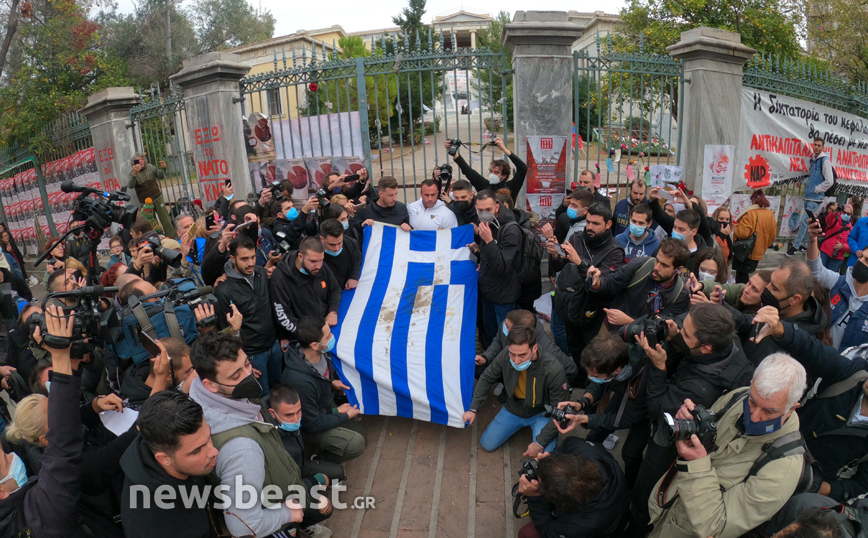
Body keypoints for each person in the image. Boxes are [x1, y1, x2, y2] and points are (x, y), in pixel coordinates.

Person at [626, 303, 755, 537]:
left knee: (646, 498)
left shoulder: (702, 389)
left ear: (705, 347)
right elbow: (691, 350)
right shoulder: (728, 343)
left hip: (670, 449)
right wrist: (676, 337)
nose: (678, 332)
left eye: (685, 333)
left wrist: (658, 366)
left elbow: (659, 411)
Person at [188, 332, 332, 538]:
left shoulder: (215, 393)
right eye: (235, 376)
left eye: (247, 364)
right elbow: (245, 525)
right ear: (210, 384)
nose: (248, 375)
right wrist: (286, 514)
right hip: (277, 508)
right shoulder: (241, 450)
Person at [647, 354, 807, 538]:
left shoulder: (783, 468)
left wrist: (696, 465)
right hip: (664, 509)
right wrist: (692, 428)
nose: (754, 416)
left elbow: (717, 528)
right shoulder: (738, 396)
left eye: (769, 411)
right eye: (753, 401)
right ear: (752, 383)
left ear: (792, 408)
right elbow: (707, 440)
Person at [753, 306, 868, 503]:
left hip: (801, 487)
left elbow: (861, 485)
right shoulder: (853, 374)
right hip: (768, 445)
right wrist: (781, 329)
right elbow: (813, 350)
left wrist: (823, 489)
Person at [120, 391, 219, 538]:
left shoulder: (160, 438)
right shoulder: (153, 526)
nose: (214, 451)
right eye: (197, 450)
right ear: (164, 458)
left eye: (208, 437)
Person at [548, 202, 626, 379]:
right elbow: (562, 264)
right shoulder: (576, 238)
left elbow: (603, 283)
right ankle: (578, 381)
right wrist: (554, 255)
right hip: (570, 307)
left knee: (592, 355)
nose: (590, 227)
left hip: (593, 314)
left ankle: (591, 387)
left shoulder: (614, 251)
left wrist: (579, 261)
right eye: (589, 222)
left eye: (596, 223)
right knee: (574, 349)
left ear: (608, 224)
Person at [463, 327, 569, 453]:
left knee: (543, 454)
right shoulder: (505, 355)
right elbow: (487, 377)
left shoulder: (554, 370)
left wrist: (540, 442)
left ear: (534, 348)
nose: (516, 361)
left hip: (542, 413)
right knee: (487, 444)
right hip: (514, 408)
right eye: (512, 354)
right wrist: (473, 408)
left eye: (522, 355)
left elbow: (559, 410)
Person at [280, 316, 366, 464]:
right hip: (310, 426)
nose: (332, 337)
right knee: (356, 443)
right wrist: (344, 417)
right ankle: (320, 461)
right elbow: (312, 424)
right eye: (328, 336)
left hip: (323, 409)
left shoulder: (320, 353)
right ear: (315, 345)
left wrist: (332, 383)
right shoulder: (299, 381)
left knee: (361, 433)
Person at [517, 437, 628, 538]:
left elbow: (547, 530)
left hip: (603, 529)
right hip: (616, 498)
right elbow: (562, 451)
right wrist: (550, 459)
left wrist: (535, 497)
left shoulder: (580, 526)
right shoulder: (582, 449)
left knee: (527, 533)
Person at [214, 235, 281, 393]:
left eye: (253, 257)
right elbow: (227, 331)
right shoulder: (224, 290)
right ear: (233, 258)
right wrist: (242, 361)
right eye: (244, 259)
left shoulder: (260, 273)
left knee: (278, 387)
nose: (251, 263)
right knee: (262, 394)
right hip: (253, 354)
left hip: (274, 345)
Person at [728, 258, 826, 366]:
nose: (767, 289)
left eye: (774, 288)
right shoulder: (778, 310)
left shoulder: (799, 344)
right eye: (770, 282)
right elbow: (747, 321)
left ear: (794, 299)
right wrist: (719, 305)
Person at [587, 238, 690, 333]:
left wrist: (629, 321)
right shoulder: (641, 265)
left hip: (642, 344)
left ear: (679, 269)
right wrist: (597, 283)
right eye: (657, 260)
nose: (657, 267)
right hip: (612, 328)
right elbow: (611, 283)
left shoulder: (679, 294)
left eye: (664, 265)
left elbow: (662, 329)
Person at [806, 219, 868, 352]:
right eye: (862, 257)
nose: (860, 261)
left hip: (846, 370)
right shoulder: (840, 282)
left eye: (866, 260)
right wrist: (812, 241)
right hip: (818, 355)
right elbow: (816, 271)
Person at [265, 384, 345, 485]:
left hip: (300, 465)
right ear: (272, 413)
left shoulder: (287, 420)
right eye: (289, 415)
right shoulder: (268, 439)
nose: (296, 419)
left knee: (339, 473)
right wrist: (313, 481)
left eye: (298, 411)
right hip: (287, 482)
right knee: (323, 500)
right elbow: (284, 485)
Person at [474, 189, 524, 347]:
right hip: (488, 291)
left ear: (497, 206)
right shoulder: (486, 224)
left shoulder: (510, 229)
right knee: (490, 334)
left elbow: (501, 266)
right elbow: (490, 255)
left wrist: (488, 241)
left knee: (505, 338)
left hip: (504, 295)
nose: (484, 213)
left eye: (488, 210)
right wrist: (479, 251)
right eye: (480, 210)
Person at [475, 309, 577, 382]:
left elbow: (571, 370)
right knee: (479, 370)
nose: (504, 327)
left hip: (531, 378)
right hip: (508, 367)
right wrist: (485, 357)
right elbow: (497, 342)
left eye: (508, 327)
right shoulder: (506, 324)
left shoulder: (548, 349)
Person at [270, 236, 341, 340]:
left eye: (321, 260)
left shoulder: (320, 267)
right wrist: (310, 334)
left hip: (325, 329)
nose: (318, 266)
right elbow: (284, 318)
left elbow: (335, 289)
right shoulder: (280, 279)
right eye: (313, 261)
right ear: (300, 257)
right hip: (301, 338)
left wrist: (333, 311)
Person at [445, 137, 527, 203]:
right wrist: (454, 152)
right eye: (492, 171)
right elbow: (468, 171)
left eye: (496, 172)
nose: (492, 174)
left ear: (504, 176)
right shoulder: (484, 185)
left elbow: (523, 168)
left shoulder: (511, 187)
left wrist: (505, 149)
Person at [789, 137, 834, 256]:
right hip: (808, 196)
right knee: (807, 222)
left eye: (819, 145)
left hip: (815, 198)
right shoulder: (813, 160)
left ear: (823, 147)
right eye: (815, 145)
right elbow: (813, 177)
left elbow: (829, 181)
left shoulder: (824, 160)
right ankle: (804, 245)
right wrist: (803, 183)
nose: (816, 147)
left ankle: (795, 246)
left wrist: (816, 189)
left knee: (803, 222)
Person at [126, 153, 177, 239]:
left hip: (158, 198)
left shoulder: (150, 167)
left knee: (166, 221)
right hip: (146, 204)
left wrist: (164, 168)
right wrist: (135, 174)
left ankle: (174, 239)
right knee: (151, 224)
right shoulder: (132, 173)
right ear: (134, 163)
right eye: (138, 160)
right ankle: (157, 240)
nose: (140, 161)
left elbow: (160, 175)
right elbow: (130, 186)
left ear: (144, 161)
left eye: (142, 159)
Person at [734, 189, 778, 283]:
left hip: (746, 252)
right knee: (746, 274)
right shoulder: (770, 214)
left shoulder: (751, 214)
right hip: (758, 251)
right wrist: (763, 245)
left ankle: (741, 293)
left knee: (741, 276)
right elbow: (773, 235)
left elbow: (743, 233)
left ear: (753, 201)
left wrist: (736, 227)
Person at [698, 270, 772, 315]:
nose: (746, 290)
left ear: (764, 297)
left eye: (755, 289)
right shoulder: (742, 288)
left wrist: (710, 308)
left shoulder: (759, 316)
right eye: (749, 283)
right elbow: (725, 288)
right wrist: (701, 285)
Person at [319, 219, 360, 290]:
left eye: (340, 243)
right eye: (331, 244)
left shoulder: (352, 244)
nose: (337, 248)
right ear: (321, 239)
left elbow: (357, 259)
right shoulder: (313, 250)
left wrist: (354, 277)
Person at [819, 203, 853, 272]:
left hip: (838, 257)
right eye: (844, 212)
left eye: (848, 214)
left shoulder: (851, 229)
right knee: (819, 273)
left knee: (830, 279)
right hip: (825, 251)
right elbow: (828, 220)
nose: (846, 215)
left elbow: (851, 245)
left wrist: (843, 246)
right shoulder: (835, 220)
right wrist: (833, 212)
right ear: (841, 212)